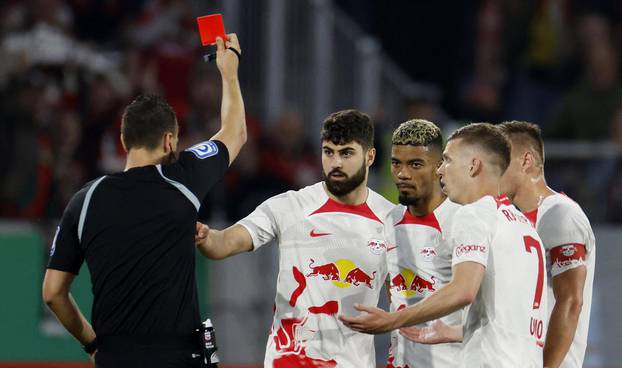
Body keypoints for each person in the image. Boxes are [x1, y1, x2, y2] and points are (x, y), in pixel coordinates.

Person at [42, 34, 245, 367]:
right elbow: (234, 132)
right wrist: (229, 71)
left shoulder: (84, 201)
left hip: (115, 359)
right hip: (179, 359)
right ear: (169, 141)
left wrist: (92, 344)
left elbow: (53, 293)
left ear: (124, 140)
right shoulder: (183, 179)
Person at [195, 110, 394, 367]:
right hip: (289, 360)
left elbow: (407, 305)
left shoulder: (392, 221)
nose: (335, 163)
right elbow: (226, 243)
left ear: (370, 156)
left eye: (346, 153)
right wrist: (207, 237)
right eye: (328, 152)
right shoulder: (290, 205)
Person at [339, 123, 548, 367]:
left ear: (473, 166)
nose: (440, 171)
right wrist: (455, 332)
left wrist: (394, 320)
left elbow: (463, 291)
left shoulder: (473, 214)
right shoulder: (522, 224)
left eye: (447, 161)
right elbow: (512, 319)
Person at [499, 121, 595, 368]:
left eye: (499, 161)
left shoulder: (561, 215)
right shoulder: (513, 220)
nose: (492, 170)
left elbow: (571, 301)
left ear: (526, 161)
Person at [384, 119, 462, 368]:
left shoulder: (463, 220)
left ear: (439, 166)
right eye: (396, 163)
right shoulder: (389, 220)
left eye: (415, 164)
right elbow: (392, 287)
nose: (402, 174)